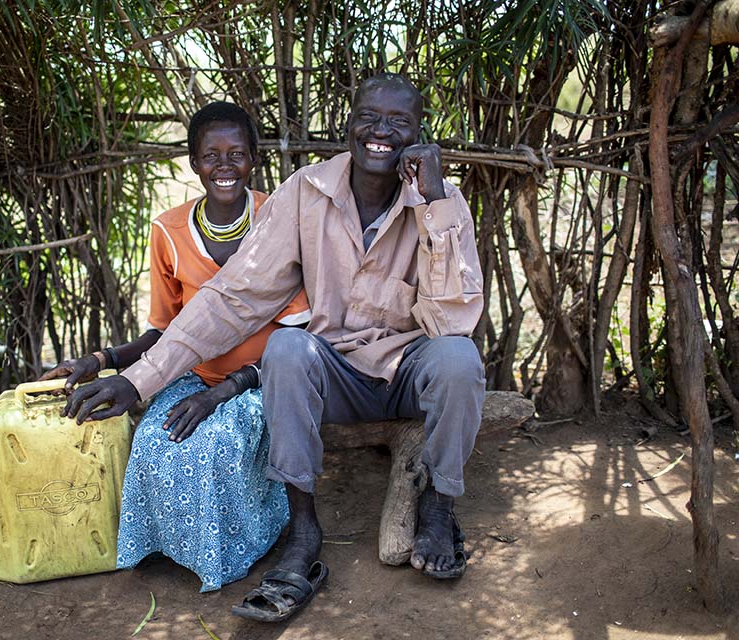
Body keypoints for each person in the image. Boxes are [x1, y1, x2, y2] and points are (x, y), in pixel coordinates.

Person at [63, 74, 485, 621]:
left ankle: (438, 505)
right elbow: (233, 297)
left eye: (399, 122)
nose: (382, 132)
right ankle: (304, 534)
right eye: (370, 117)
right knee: (287, 348)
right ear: (349, 124)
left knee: (458, 359)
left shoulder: (443, 204)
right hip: (333, 375)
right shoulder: (306, 192)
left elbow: (453, 321)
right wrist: (137, 377)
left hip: (409, 369)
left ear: (419, 135)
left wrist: (432, 204)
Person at [41, 101, 310, 592]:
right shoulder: (168, 229)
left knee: (214, 447)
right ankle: (166, 545)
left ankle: (230, 549)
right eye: (211, 156)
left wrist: (221, 394)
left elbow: (299, 333)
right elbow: (164, 332)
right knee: (153, 441)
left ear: (254, 159)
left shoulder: (279, 218)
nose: (224, 167)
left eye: (237, 155)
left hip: (264, 380)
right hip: (191, 374)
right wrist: (102, 360)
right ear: (193, 162)